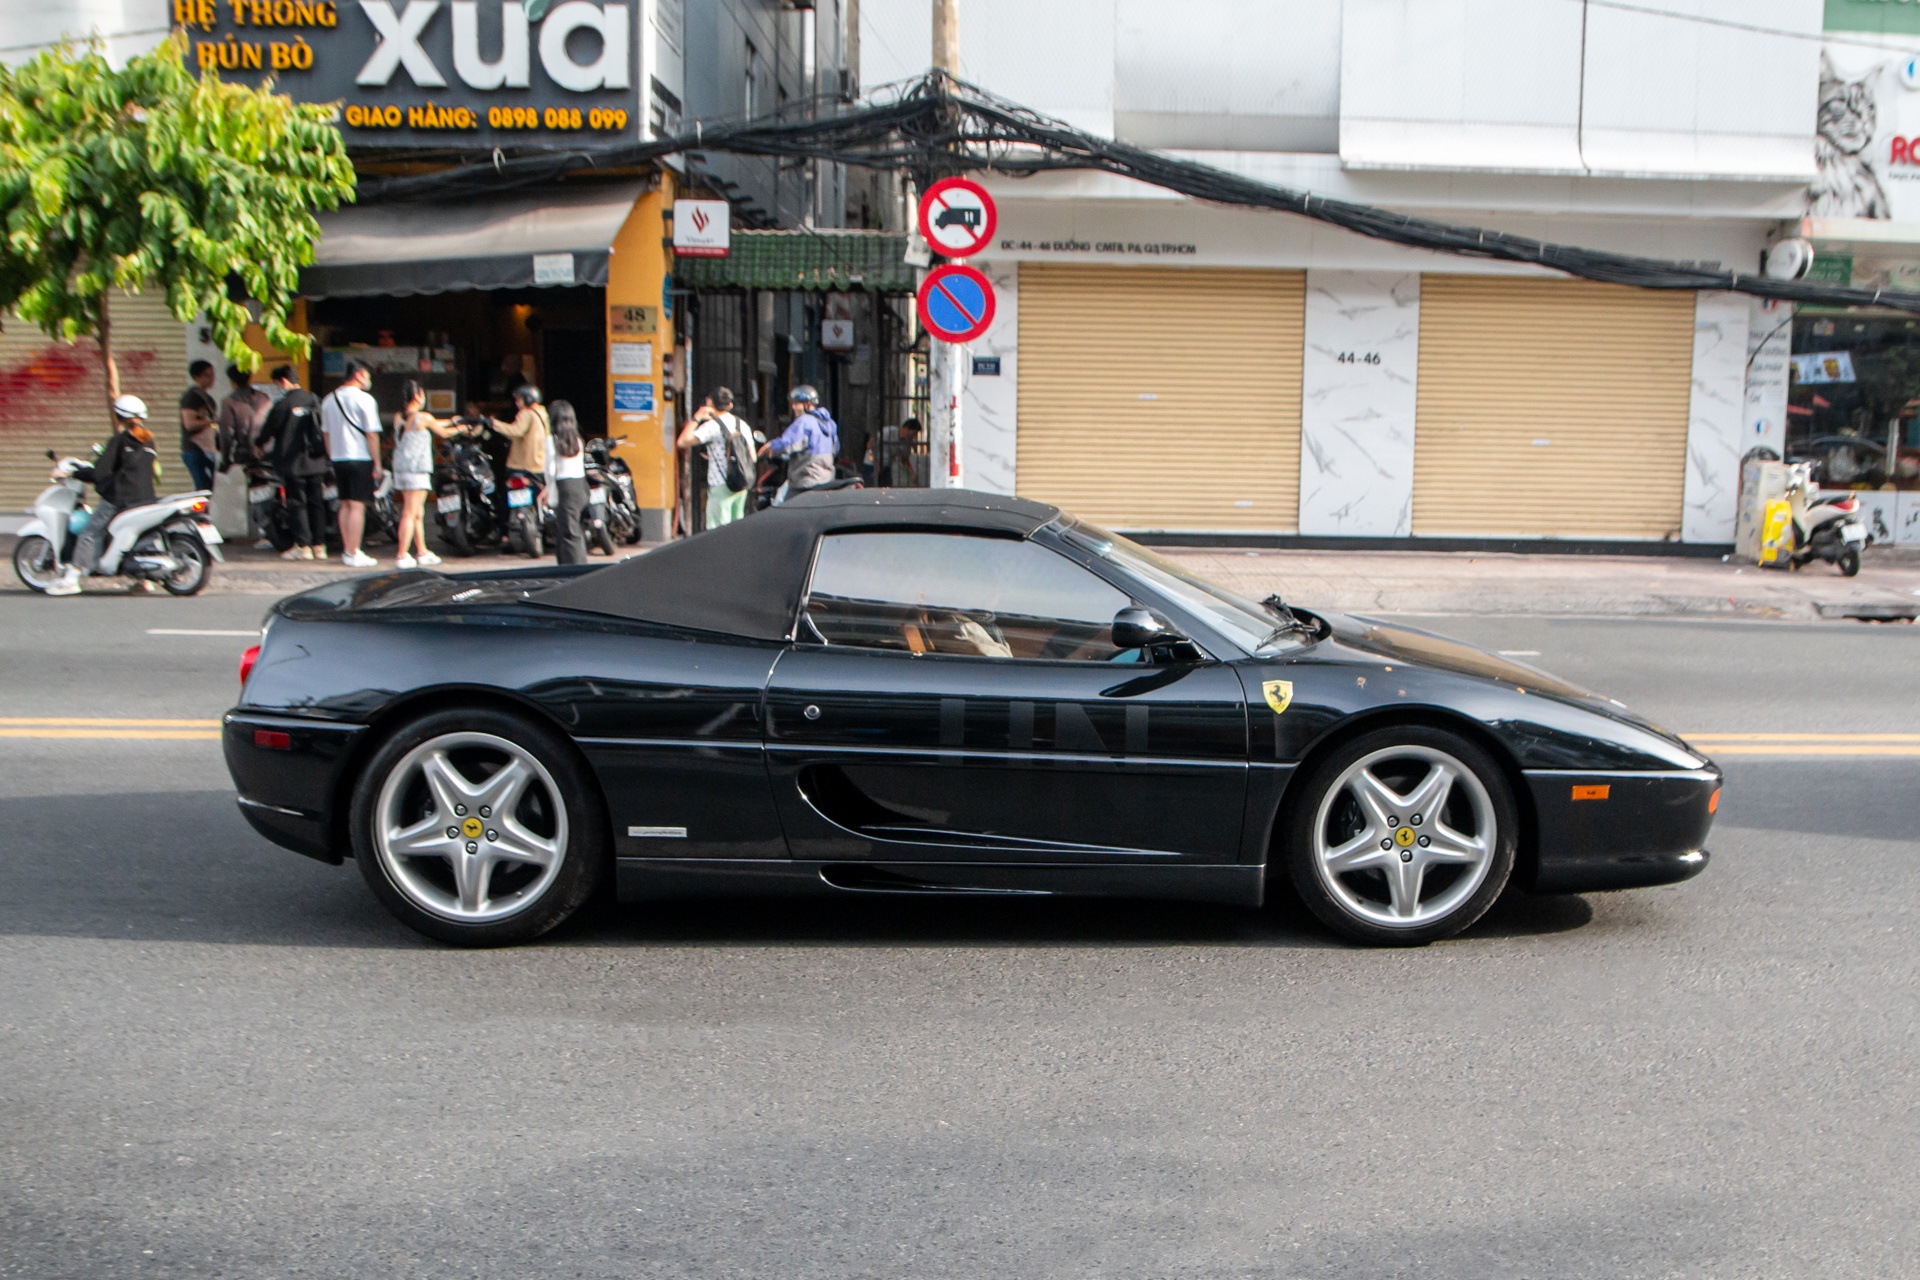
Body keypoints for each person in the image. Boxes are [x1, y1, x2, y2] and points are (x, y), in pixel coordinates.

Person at [47, 396, 159, 596]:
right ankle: (142, 581)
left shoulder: (119, 441)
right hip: (146, 498)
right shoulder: (149, 441)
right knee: (136, 536)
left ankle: (72, 577)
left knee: (90, 532)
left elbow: (99, 473)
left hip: (119, 498)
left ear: (119, 417)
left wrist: (73, 473)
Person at [256, 365, 329, 561]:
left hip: (293, 462)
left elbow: (268, 430)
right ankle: (319, 546)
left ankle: (303, 546)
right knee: (316, 503)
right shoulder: (314, 400)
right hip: (316, 460)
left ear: (283, 381)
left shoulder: (283, 404)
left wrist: (258, 444)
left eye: (276, 384)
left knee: (297, 504)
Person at [390, 379, 464, 569]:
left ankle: (422, 551)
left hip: (402, 470)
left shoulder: (399, 417)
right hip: (417, 470)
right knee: (410, 512)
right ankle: (402, 554)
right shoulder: (423, 417)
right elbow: (443, 432)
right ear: (417, 396)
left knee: (417, 512)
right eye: (422, 394)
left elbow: (434, 423)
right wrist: (460, 429)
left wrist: (452, 420)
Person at [320, 358, 383, 568]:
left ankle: (348, 549)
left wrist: (332, 456)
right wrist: (377, 462)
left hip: (338, 458)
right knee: (357, 506)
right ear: (358, 374)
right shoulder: (365, 400)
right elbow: (371, 434)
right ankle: (354, 551)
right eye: (367, 375)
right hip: (359, 457)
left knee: (345, 504)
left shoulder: (329, 399)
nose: (369, 379)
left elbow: (326, 433)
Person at [676, 386, 753, 528]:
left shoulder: (712, 426)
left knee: (717, 532)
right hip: (741, 483)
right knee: (737, 530)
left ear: (709, 402)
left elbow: (682, 441)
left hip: (720, 483)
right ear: (730, 405)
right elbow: (752, 457)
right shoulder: (742, 425)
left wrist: (697, 417)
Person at [490, 384, 550, 543]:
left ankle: (503, 533)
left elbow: (516, 431)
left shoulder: (526, 413)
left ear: (528, 399)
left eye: (519, 399)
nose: (517, 403)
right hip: (539, 466)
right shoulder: (543, 413)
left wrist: (494, 424)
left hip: (520, 466)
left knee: (506, 500)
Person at [759, 385, 839, 497]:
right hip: (826, 481)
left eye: (796, 404)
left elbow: (787, 444)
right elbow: (836, 449)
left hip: (806, 482)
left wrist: (770, 447)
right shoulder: (829, 424)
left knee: (786, 506)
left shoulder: (804, 422)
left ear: (808, 404)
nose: (793, 407)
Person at [544, 399, 590, 565]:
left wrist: (550, 493)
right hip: (580, 486)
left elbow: (550, 471)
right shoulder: (577, 439)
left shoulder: (552, 440)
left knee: (568, 533)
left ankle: (574, 570)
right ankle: (570, 566)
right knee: (574, 531)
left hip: (565, 488)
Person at [215, 363, 272, 469]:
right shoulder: (264, 398)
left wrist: (225, 460)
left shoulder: (229, 402)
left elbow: (226, 433)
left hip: (247, 453)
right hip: (269, 451)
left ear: (232, 382)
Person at [178, 360, 219, 493]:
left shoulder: (207, 398)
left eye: (212, 374)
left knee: (209, 489)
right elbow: (189, 424)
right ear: (196, 377)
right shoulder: (192, 397)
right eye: (207, 375)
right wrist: (211, 422)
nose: (211, 378)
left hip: (207, 449)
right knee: (203, 490)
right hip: (196, 449)